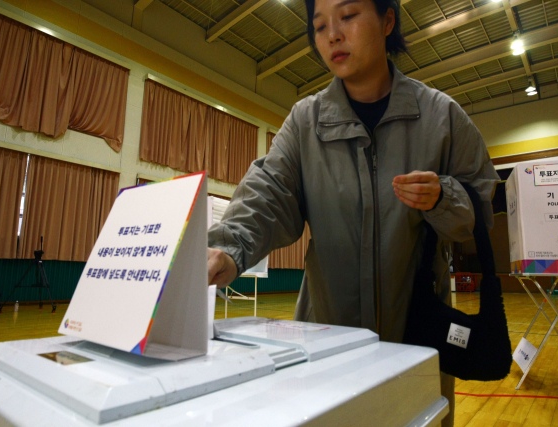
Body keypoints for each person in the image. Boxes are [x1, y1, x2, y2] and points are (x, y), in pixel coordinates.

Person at [207, 0, 499, 424]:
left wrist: (444, 198)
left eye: (347, 16)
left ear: (387, 20)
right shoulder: (305, 121)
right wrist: (228, 247)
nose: (332, 35)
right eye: (320, 24)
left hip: (416, 338)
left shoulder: (440, 117)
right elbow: (268, 193)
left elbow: (481, 207)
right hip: (327, 340)